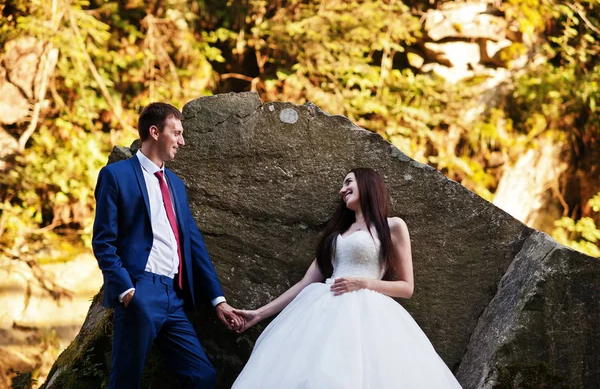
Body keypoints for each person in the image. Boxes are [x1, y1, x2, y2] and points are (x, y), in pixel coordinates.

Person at [231, 168, 462, 388]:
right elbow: (305, 283)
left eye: (348, 182)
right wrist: (258, 314)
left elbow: (406, 287)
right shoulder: (336, 234)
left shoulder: (392, 226)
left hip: (370, 314)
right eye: (343, 184)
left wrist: (363, 283)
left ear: (367, 184)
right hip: (321, 309)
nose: (342, 190)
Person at [92, 102, 242, 389]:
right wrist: (127, 292)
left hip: (175, 297)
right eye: (177, 132)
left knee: (202, 377)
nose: (182, 141)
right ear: (155, 132)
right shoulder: (116, 175)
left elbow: (193, 244)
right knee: (125, 382)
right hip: (140, 292)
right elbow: (103, 242)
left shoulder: (176, 184)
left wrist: (217, 300)